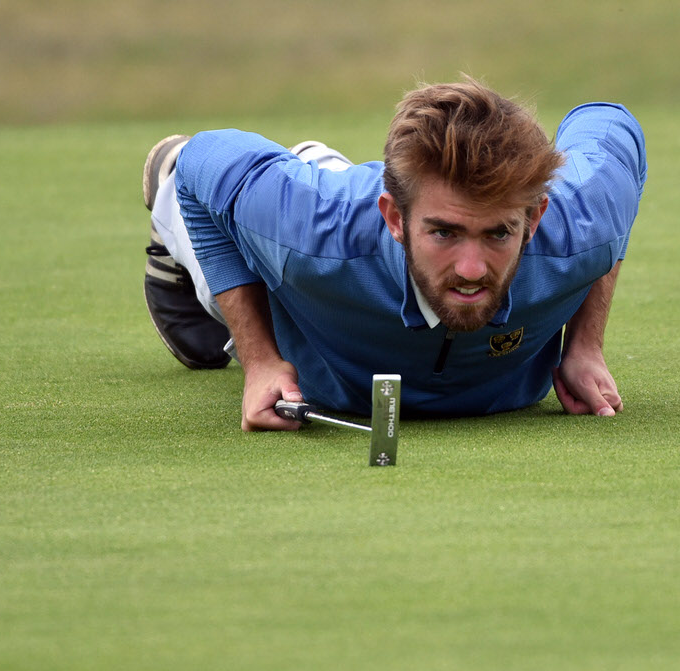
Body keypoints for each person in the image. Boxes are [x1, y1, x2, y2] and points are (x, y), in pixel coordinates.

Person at [141, 77, 647, 431]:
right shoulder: (313, 238)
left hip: (342, 210)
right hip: (307, 300)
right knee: (236, 258)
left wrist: (585, 344)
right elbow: (204, 161)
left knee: (321, 196)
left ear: (533, 219)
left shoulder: (581, 223)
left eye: (497, 234)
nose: (472, 270)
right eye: (445, 233)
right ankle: (176, 214)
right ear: (396, 219)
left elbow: (610, 121)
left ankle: (320, 165)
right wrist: (259, 360)